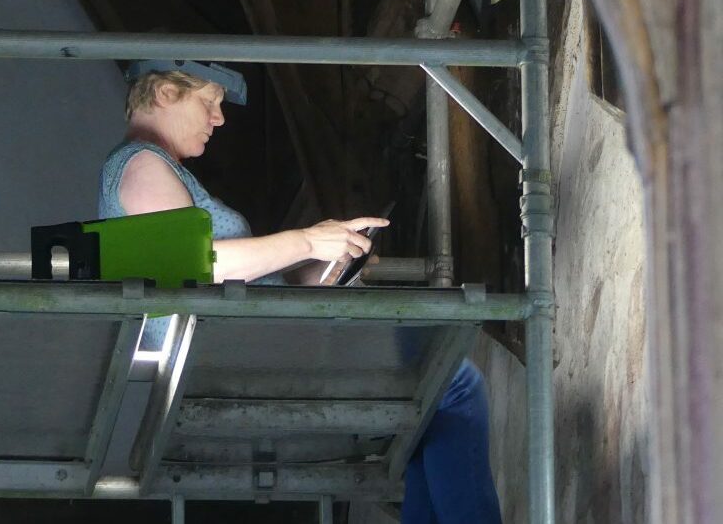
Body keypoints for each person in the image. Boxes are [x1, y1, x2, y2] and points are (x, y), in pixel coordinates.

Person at [97, 60, 502, 523]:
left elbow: (222, 276)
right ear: (166, 93)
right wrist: (306, 241)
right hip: (243, 359)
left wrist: (321, 268)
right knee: (455, 386)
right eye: (209, 102)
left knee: (426, 407)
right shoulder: (142, 165)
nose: (219, 118)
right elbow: (189, 269)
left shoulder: (152, 168)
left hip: (251, 348)